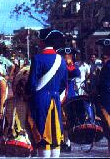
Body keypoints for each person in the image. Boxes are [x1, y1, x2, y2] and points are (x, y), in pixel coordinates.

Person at [26, 29, 67, 158]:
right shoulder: (62, 60)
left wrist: (26, 94)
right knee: (55, 136)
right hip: (55, 99)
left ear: (43, 42)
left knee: (41, 136)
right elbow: (63, 85)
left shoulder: (37, 59)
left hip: (40, 99)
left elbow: (32, 83)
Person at [58, 47, 81, 153]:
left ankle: (67, 142)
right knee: (59, 119)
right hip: (59, 95)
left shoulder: (73, 68)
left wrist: (69, 65)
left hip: (69, 97)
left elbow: (76, 73)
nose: (66, 57)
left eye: (69, 55)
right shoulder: (58, 67)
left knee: (68, 120)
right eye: (65, 56)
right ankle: (60, 140)